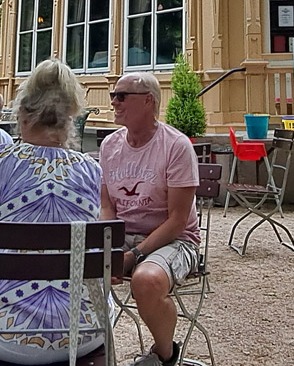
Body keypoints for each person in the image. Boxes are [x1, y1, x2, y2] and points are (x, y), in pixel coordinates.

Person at [0, 59, 106, 366]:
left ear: (21, 114)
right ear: (71, 118)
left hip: (0, 332)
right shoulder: (91, 169)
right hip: (82, 331)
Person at [100, 72, 199, 366]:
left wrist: (133, 255)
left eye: (122, 96)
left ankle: (165, 354)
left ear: (148, 102)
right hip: (124, 235)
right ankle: (83, 352)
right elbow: (107, 208)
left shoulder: (176, 146)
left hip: (175, 240)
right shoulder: (109, 146)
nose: (114, 102)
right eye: (113, 96)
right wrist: (108, 247)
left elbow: (178, 221)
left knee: (146, 280)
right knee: (74, 270)